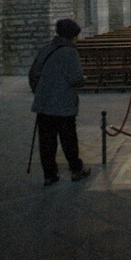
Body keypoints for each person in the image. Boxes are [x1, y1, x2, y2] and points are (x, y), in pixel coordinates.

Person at [29, 18, 91, 186]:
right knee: (68, 139)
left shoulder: (45, 49)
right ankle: (76, 170)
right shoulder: (70, 52)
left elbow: (33, 74)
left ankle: (49, 174)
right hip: (63, 104)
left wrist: (41, 91)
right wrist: (83, 80)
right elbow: (75, 78)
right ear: (72, 36)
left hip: (43, 103)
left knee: (46, 141)